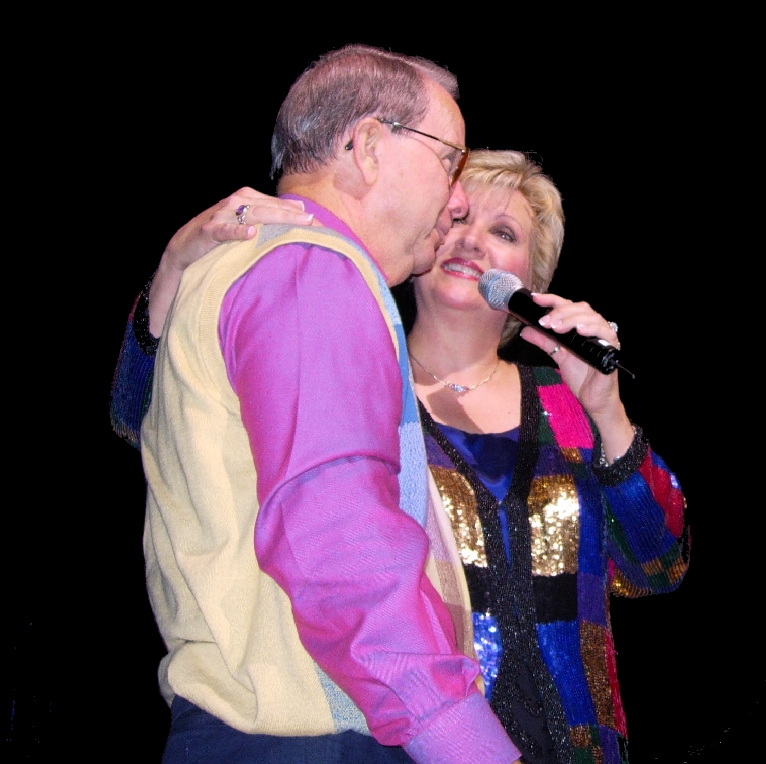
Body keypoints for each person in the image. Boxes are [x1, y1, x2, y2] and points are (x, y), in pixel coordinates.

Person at [114, 147, 688, 763]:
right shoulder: (354, 382)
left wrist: (607, 411)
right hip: (424, 745)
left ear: (532, 277)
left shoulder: (564, 402)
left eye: (503, 233)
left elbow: (659, 567)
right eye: (456, 218)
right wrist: (173, 268)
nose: (471, 241)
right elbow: (137, 414)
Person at [123, 45, 524, 764]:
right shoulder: (314, 269)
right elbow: (337, 541)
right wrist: (466, 744)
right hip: (309, 742)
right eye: (448, 159)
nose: (459, 197)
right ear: (368, 146)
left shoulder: (250, 265)